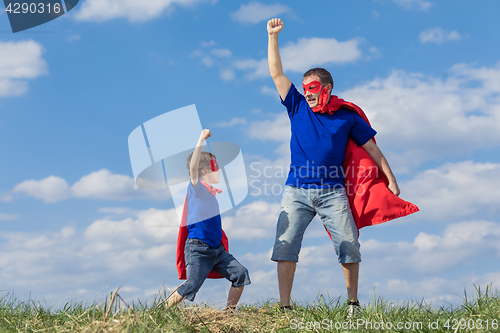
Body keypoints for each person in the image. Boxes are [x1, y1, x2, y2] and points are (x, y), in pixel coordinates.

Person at [267, 18, 402, 315]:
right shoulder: (297, 106)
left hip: (332, 192)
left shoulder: (347, 117)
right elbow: (276, 73)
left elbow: (372, 149)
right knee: (285, 244)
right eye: (304, 87)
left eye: (313, 87)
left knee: (349, 244)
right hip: (296, 191)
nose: (308, 91)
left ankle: (353, 303)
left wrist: (390, 179)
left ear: (326, 87)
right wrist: (273, 37)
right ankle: (285, 307)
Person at [166, 129, 251, 309]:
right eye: (216, 167)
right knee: (191, 285)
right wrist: (201, 140)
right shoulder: (196, 188)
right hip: (198, 248)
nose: (219, 170)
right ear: (204, 171)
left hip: (217, 251)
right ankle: (158, 312)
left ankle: (228, 314)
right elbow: (193, 167)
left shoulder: (211, 194)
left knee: (240, 274)